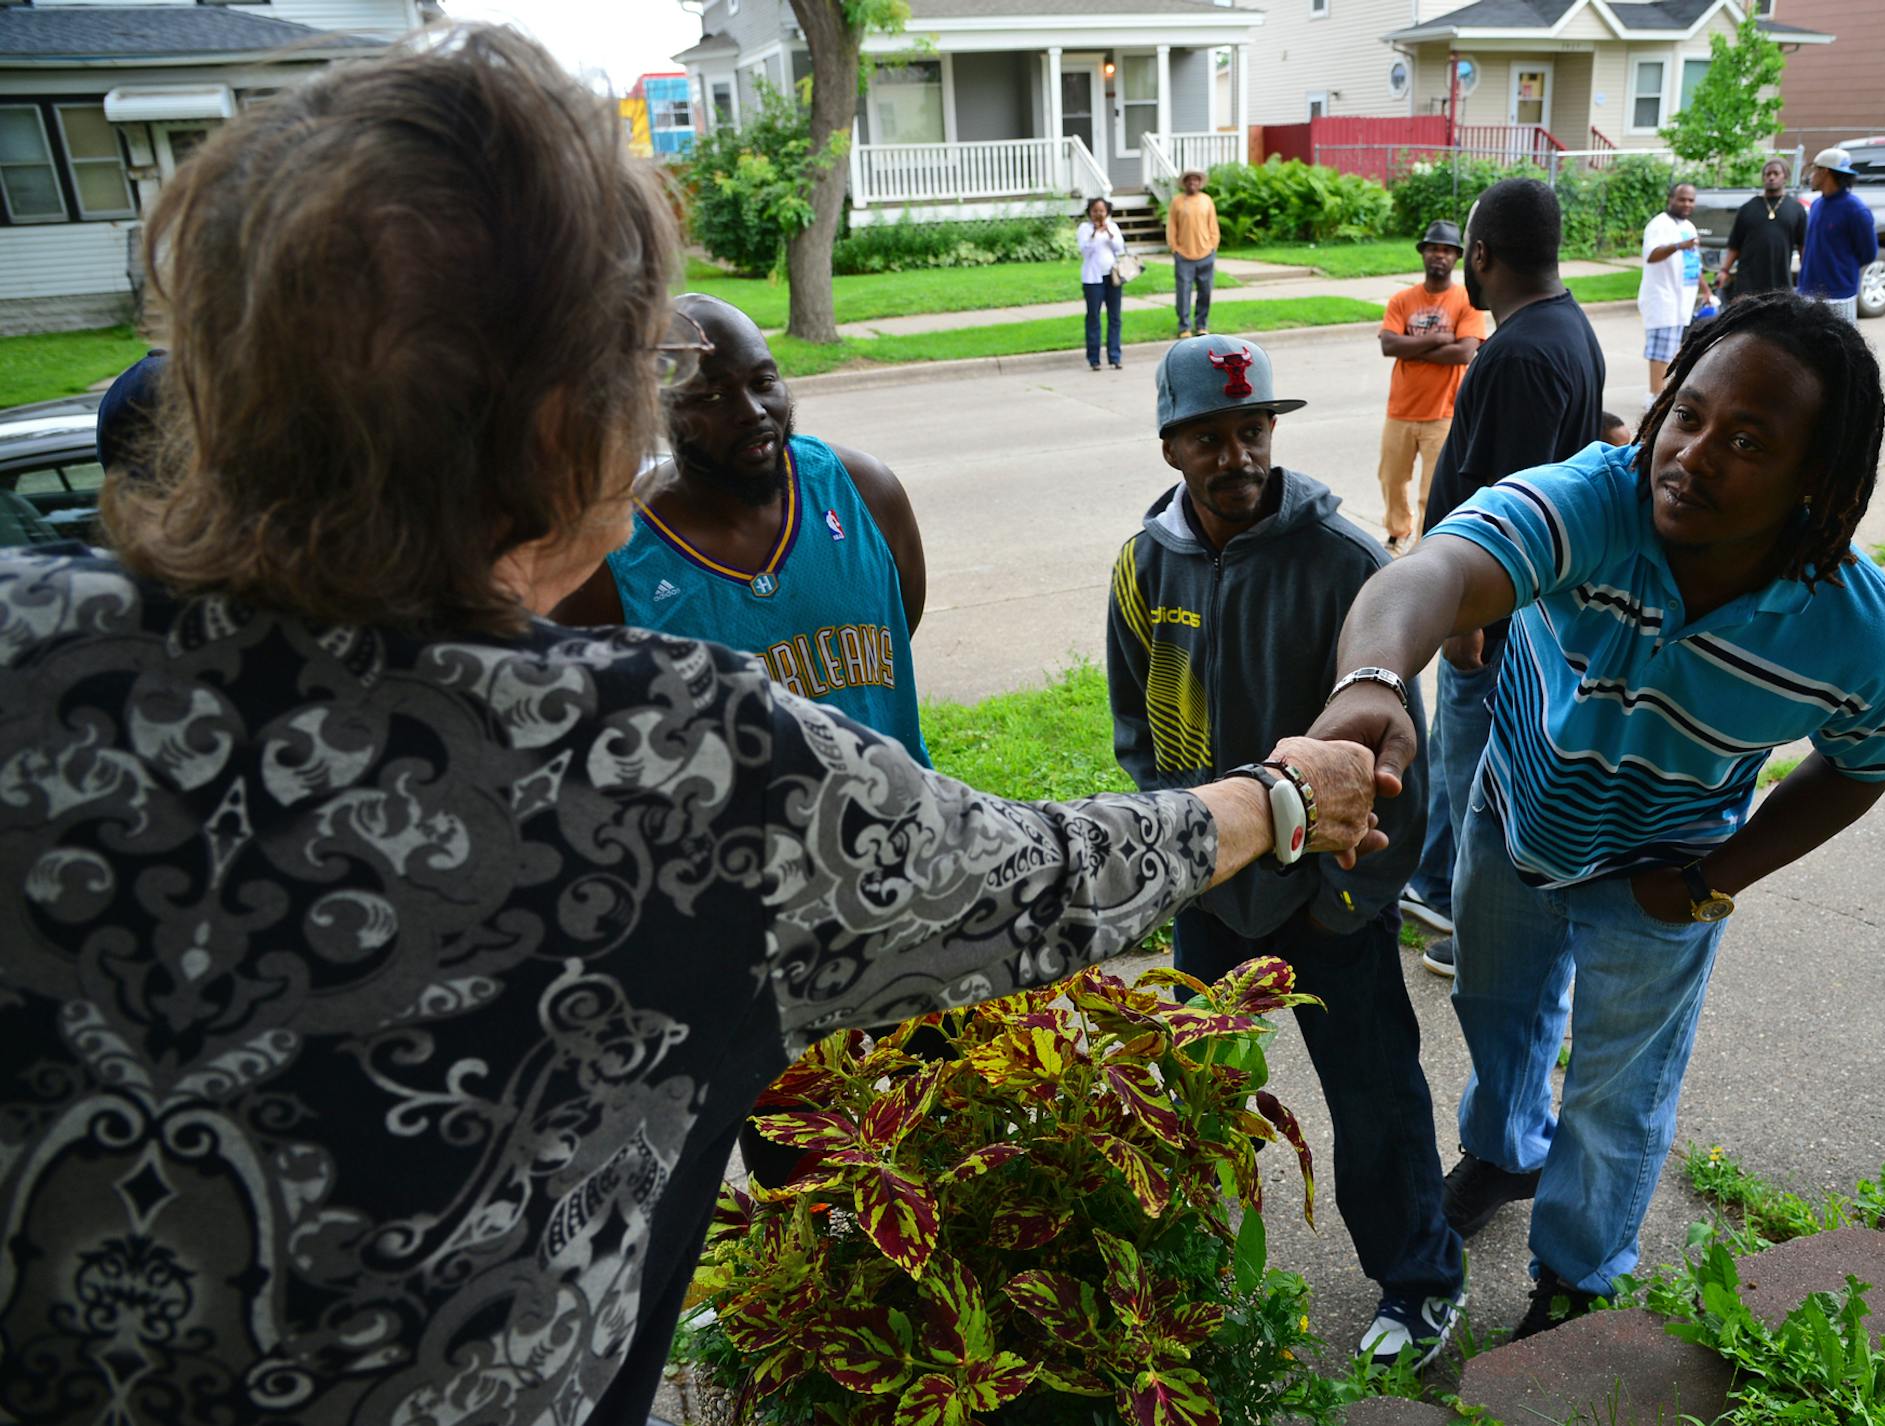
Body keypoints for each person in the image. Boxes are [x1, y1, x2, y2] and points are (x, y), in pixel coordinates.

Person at [0, 28, 1390, 1424]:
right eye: (640, 376)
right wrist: (1281, 795)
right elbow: (1038, 879)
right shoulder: (674, 758)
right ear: (564, 428)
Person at [1313, 291, 1885, 1339]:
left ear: (1815, 477)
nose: (1692, 452)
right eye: (1687, 413)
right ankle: (1505, 1152)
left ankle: (1579, 1273)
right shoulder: (1595, 502)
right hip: (1515, 826)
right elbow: (1436, 569)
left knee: (1617, 1089)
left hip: (1664, 873)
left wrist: (1719, 873)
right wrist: (1370, 682)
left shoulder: (1860, 634)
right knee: (1498, 1015)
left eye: (1746, 439)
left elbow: (1865, 763)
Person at [1108, 334, 1463, 1371]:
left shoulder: (1347, 565)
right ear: (1173, 446)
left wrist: (1342, 901)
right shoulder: (1143, 566)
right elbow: (1137, 727)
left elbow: (1403, 765)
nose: (1239, 455)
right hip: (1209, 889)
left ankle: (1421, 1279)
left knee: (1375, 1094)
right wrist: (1187, 850)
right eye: (1211, 437)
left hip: (1328, 903)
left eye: (1254, 429)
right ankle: (1192, 1273)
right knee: (1195, 1095)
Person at [551, 294, 931, 765]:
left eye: (763, 381)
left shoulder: (865, 491)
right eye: (710, 395)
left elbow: (900, 622)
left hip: (898, 817)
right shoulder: (611, 557)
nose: (751, 411)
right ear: (656, 411)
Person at [1398, 179, 1606, 977]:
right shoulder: (1563, 328)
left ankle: (1470, 923)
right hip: (1506, 608)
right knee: (1460, 761)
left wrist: (1463, 618)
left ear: (1480, 256)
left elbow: (1512, 508)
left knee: (1476, 770)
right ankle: (1434, 884)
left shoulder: (1520, 352)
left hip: (1494, 616)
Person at [1376, 219, 1489, 556]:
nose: (1439, 255)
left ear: (1457, 257)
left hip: (1444, 411)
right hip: (1400, 409)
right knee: (1391, 480)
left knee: (1432, 488)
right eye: (1433, 248)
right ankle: (1397, 532)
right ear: (1423, 253)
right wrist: (1441, 337)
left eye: (1446, 250)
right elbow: (1389, 346)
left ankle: (1425, 547)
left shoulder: (1466, 301)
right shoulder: (1402, 299)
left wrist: (1413, 343)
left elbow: (1464, 352)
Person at [1639, 182, 1714, 405]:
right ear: (1670, 199)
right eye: (1682, 199)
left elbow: (1693, 263)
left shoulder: (1689, 227)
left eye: (1691, 200)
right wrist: (1679, 245)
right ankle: (1654, 397)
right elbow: (1651, 255)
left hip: (1683, 301)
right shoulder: (1659, 225)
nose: (1687, 204)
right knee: (1660, 352)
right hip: (1663, 299)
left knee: (1674, 351)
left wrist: (1706, 290)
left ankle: (1663, 396)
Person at [1794, 148, 1877, 324]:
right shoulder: (1816, 205)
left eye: (1815, 169)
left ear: (1826, 172)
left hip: (1838, 296)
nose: (1811, 176)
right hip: (1807, 292)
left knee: (1840, 348)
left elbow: (1868, 254)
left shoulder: (1855, 209)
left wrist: (1839, 269)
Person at [1716, 158, 1807, 302]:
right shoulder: (1747, 208)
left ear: (1785, 177)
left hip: (1780, 280)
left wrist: (1806, 272)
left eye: (1776, 173)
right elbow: (1734, 244)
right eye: (1767, 174)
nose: (1771, 177)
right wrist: (1724, 271)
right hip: (1748, 281)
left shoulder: (1796, 209)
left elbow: (1803, 245)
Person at [1168, 168, 1220, 338]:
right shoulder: (1177, 202)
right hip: (1184, 255)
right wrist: (1175, 248)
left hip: (1206, 254)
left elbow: (1213, 226)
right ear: (1184, 183)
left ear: (1200, 183)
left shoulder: (1207, 201)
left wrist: (1213, 246)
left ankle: (1202, 324)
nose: (1192, 183)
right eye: (1189, 180)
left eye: (1195, 180)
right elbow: (1172, 227)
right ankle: (1184, 326)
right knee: (1183, 292)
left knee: (1205, 291)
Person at [1079, 195, 1127, 371]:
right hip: (1093, 279)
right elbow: (1085, 251)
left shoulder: (1112, 226)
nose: (1098, 214)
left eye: (1101, 211)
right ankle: (1094, 358)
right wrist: (1094, 234)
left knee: (1114, 318)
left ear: (1107, 212)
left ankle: (1115, 356)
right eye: (1095, 211)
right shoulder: (1084, 228)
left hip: (1112, 277)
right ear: (1090, 212)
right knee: (1093, 317)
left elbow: (1119, 248)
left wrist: (1108, 233)